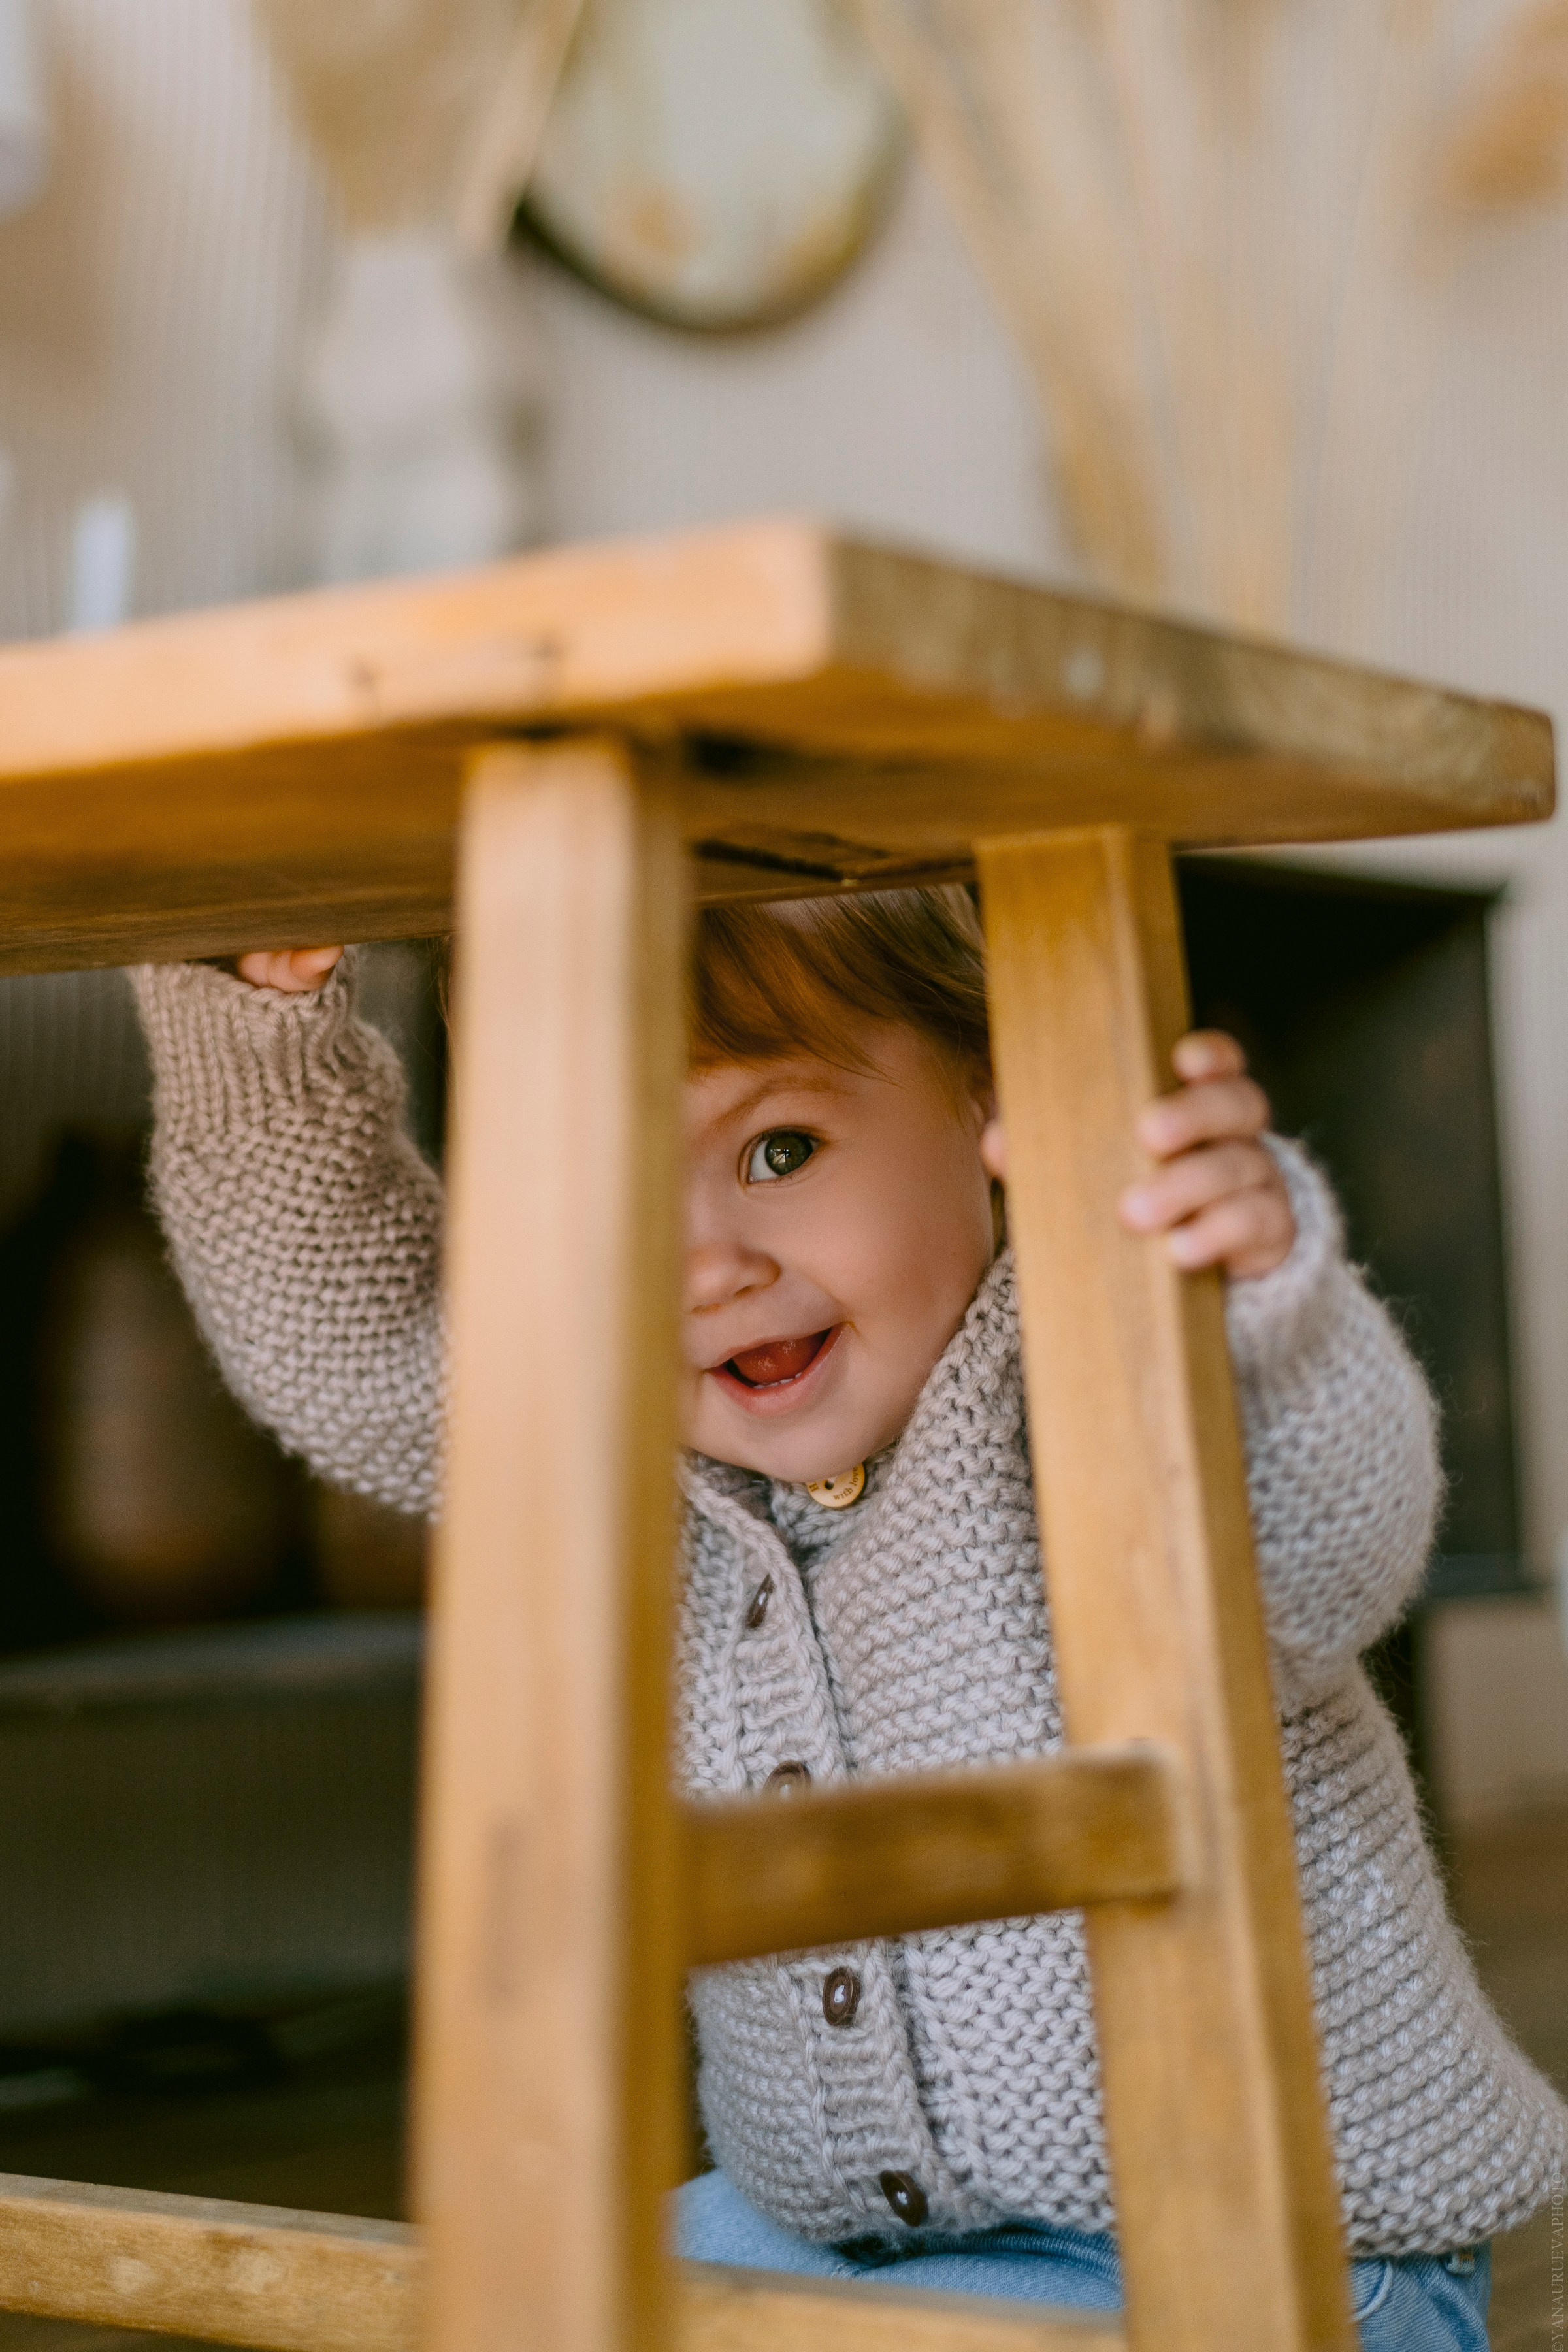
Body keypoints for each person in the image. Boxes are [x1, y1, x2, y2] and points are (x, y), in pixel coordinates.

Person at [131, 887, 1565, 2352]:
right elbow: (355, 1352)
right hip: (839, 2230)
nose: (702, 1265)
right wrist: (262, 1034)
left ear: (994, 1099)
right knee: (500, 2306)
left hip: (1266, 2249)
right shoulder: (626, 1447)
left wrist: (1250, 1305)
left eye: (782, 1149)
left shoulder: (1089, 1353)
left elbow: (1330, 1546)